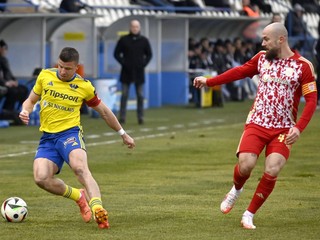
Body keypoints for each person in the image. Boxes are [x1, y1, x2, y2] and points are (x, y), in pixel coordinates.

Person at [193, 23, 317, 229]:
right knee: (246, 165)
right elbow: (240, 72)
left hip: (283, 128)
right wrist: (209, 82)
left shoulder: (303, 66)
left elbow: (312, 100)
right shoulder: (261, 58)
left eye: (266, 39)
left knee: (273, 168)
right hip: (257, 123)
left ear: (281, 39)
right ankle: (236, 190)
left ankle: (249, 213)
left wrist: (298, 128)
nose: (262, 43)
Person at [19, 47, 135, 229]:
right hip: (48, 138)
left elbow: (104, 112)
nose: (63, 71)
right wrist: (25, 110)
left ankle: (98, 209)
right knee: (41, 179)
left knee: (80, 168)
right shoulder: (45, 76)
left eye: (68, 68)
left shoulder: (84, 86)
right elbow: (31, 100)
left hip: (69, 134)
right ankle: (79, 196)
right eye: (60, 66)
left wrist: (123, 134)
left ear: (77, 68)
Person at [114, 19, 152, 125]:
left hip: (139, 72)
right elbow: (116, 54)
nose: (135, 28)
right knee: (124, 95)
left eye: (137, 27)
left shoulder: (144, 40)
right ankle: (122, 117)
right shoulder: (123, 40)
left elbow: (149, 54)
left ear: (139, 28)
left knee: (140, 95)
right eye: (133, 26)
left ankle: (140, 117)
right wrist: (124, 63)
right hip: (126, 72)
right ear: (130, 28)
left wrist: (143, 64)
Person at [0, 39, 29, 113]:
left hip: (8, 83)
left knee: (24, 89)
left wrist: (14, 80)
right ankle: (6, 110)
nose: (5, 51)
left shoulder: (4, 60)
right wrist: (6, 83)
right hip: (2, 84)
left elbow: (9, 73)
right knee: (13, 91)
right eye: (3, 49)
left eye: (5, 49)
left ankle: (21, 110)